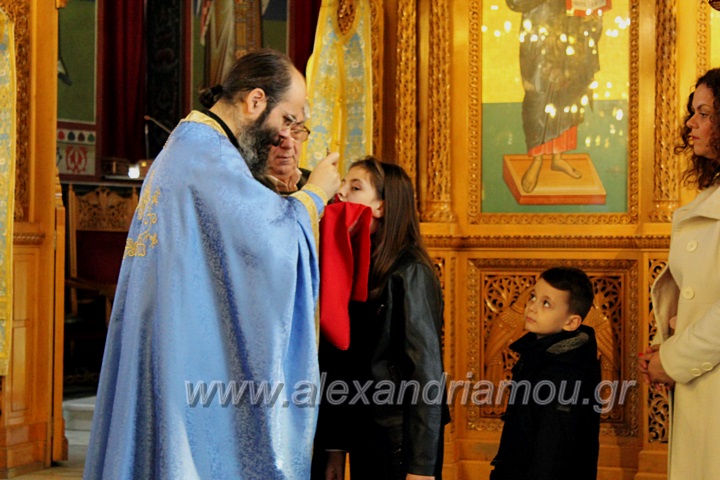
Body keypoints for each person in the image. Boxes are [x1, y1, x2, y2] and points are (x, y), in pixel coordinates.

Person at [83, 49, 341, 480]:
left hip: (172, 341)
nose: (284, 136)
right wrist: (315, 194)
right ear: (255, 101)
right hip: (182, 356)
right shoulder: (210, 156)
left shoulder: (192, 144)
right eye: (286, 119)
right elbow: (270, 244)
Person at [314, 157, 449, 480]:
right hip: (365, 432)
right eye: (343, 184)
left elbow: (426, 373)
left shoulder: (411, 271)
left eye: (355, 187)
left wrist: (421, 467)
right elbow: (339, 361)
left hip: (399, 437)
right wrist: (335, 446)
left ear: (381, 207)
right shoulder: (354, 263)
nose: (340, 193)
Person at [639, 67, 720, 479]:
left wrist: (672, 359)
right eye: (694, 112)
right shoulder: (710, 196)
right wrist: (666, 345)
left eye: (704, 114)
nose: (690, 123)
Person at [489, 266, 601, 480]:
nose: (532, 307)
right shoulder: (537, 354)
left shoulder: (566, 373)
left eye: (546, 303)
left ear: (571, 322)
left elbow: (553, 452)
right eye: (533, 297)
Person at [506, 0, 603, 193]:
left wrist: (592, 17)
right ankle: (537, 159)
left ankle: (558, 157)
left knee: (568, 96)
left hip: (571, 34)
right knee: (538, 95)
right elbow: (515, 2)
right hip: (540, 33)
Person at [264, 112, 312, 194]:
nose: (289, 145)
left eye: (296, 131)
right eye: (276, 133)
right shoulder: (246, 187)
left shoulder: (312, 180)